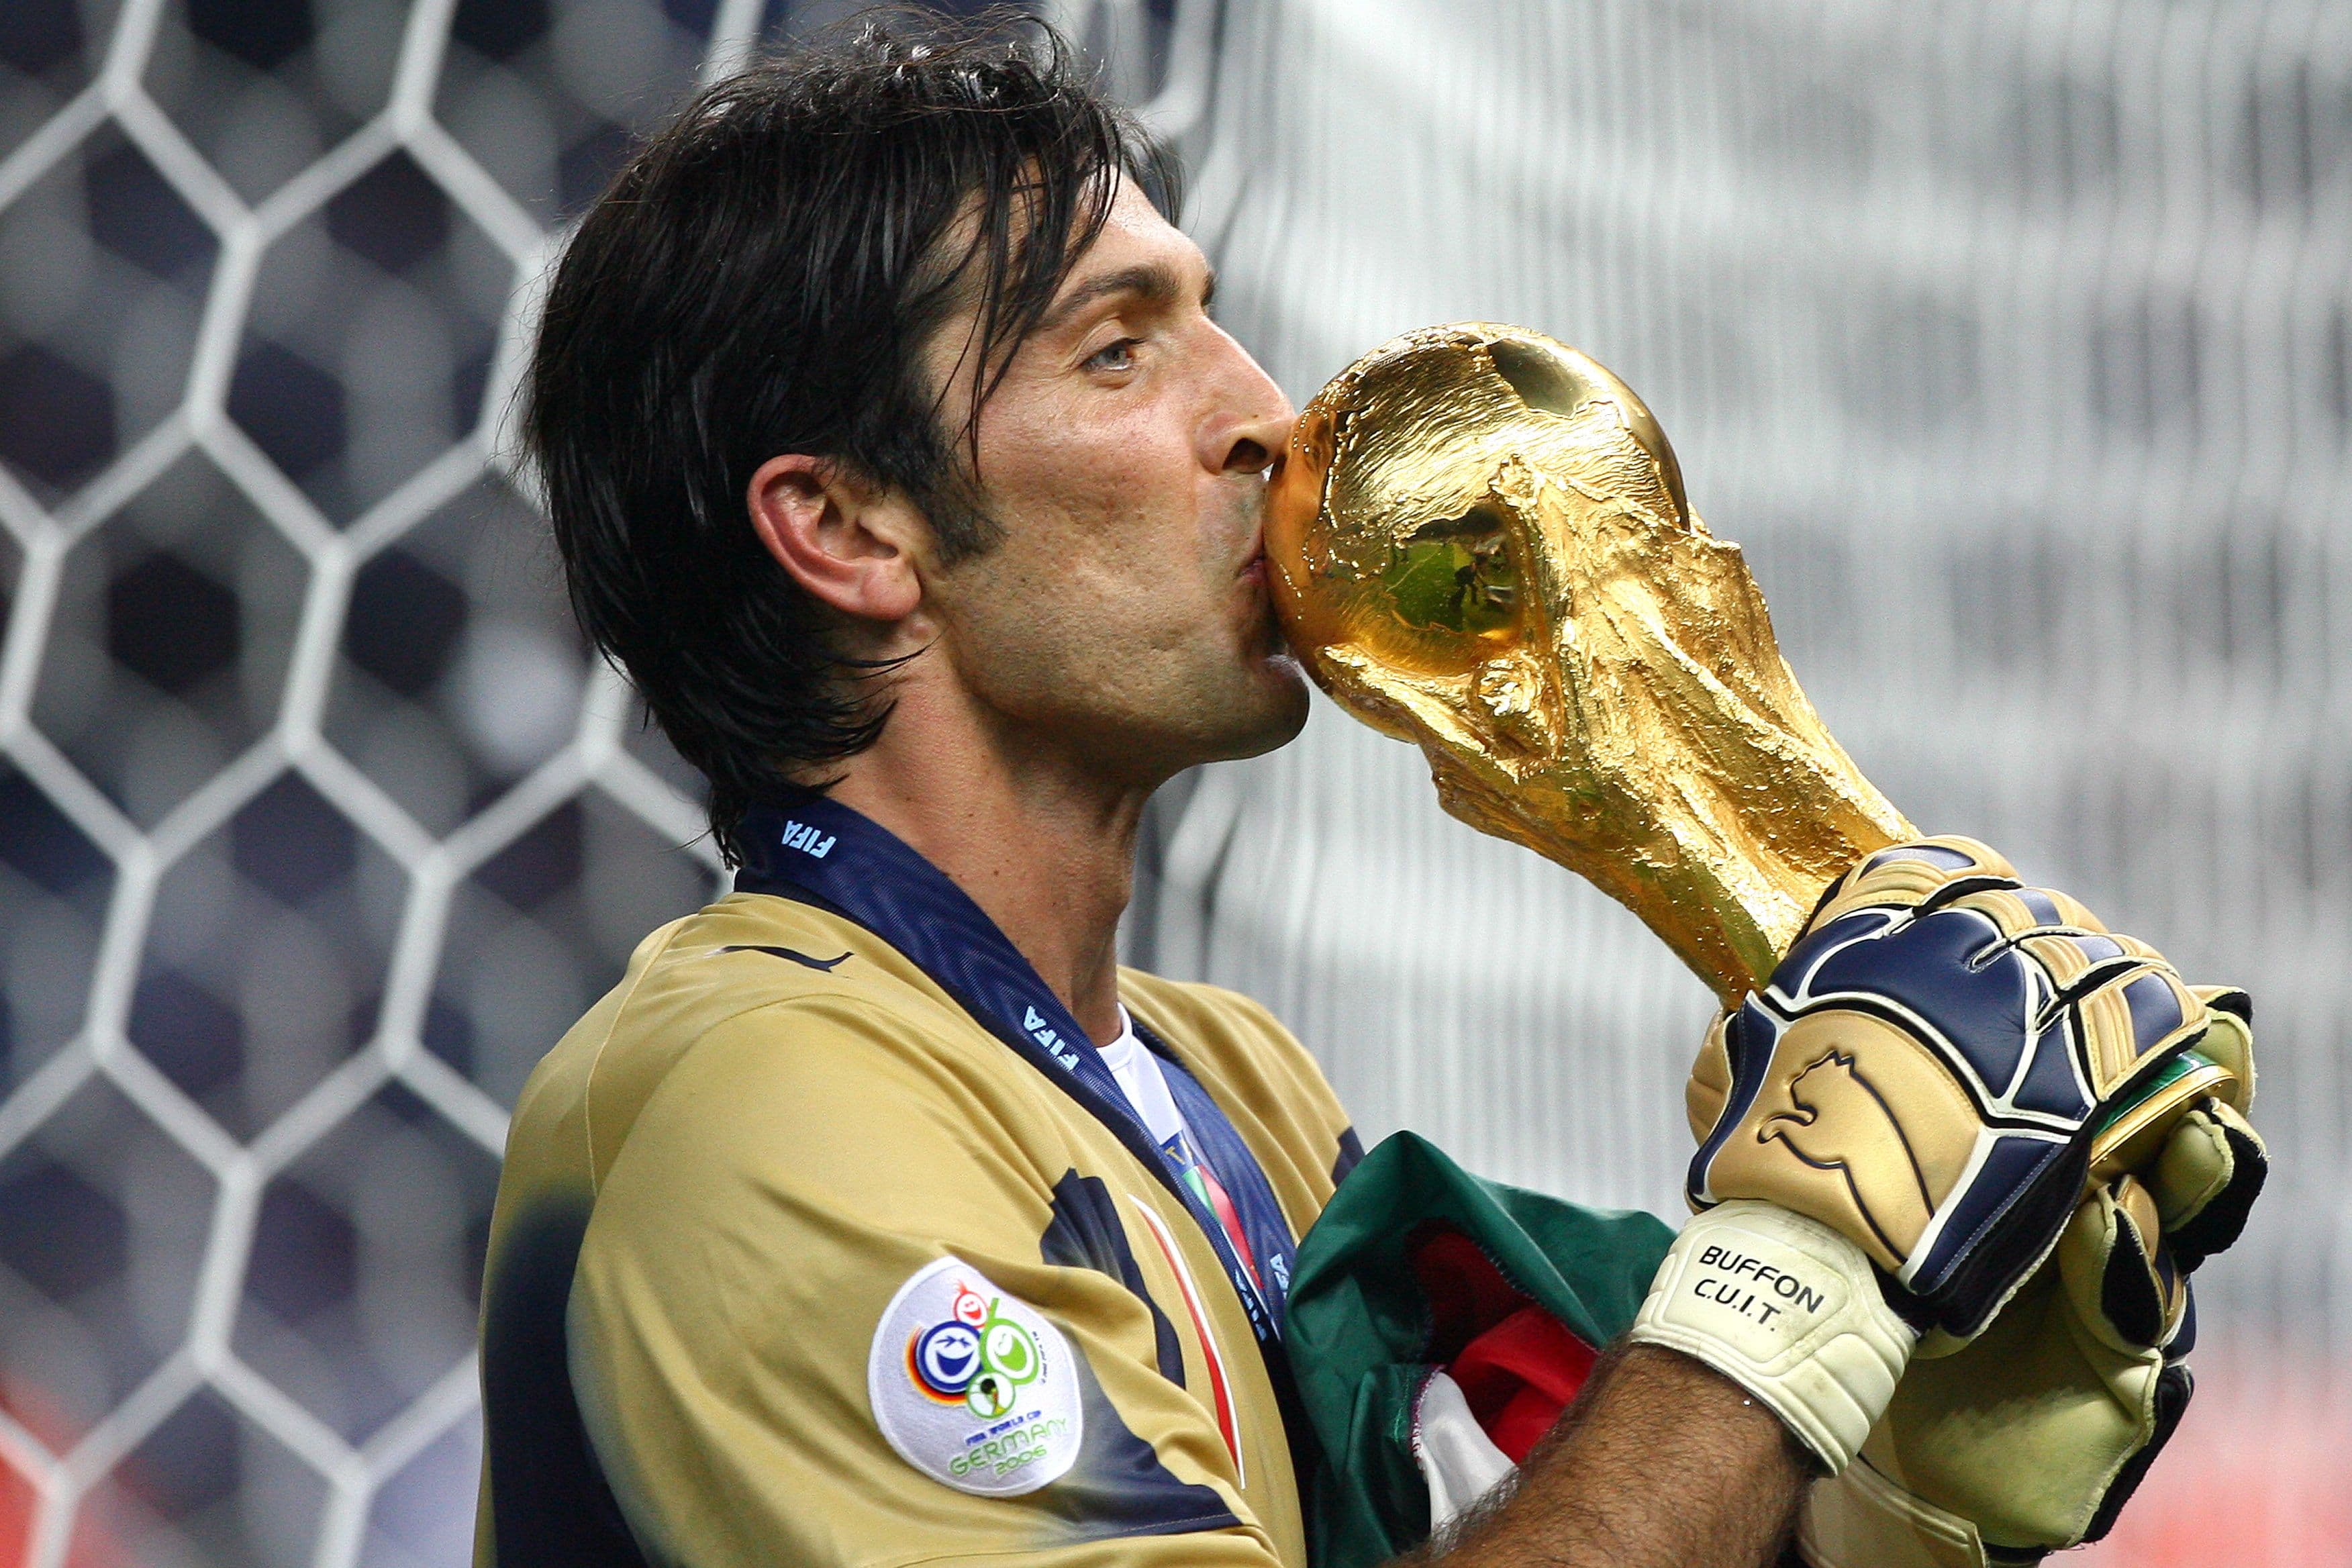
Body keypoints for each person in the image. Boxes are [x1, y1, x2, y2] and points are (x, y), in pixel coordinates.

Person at [475, 15, 2249, 1568]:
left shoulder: (1223, 1085)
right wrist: (1792, 1260)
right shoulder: (758, 1110)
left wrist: (1924, 1394)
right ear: (847, 528)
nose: (1263, 415)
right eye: (1120, 348)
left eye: (1214, 322)